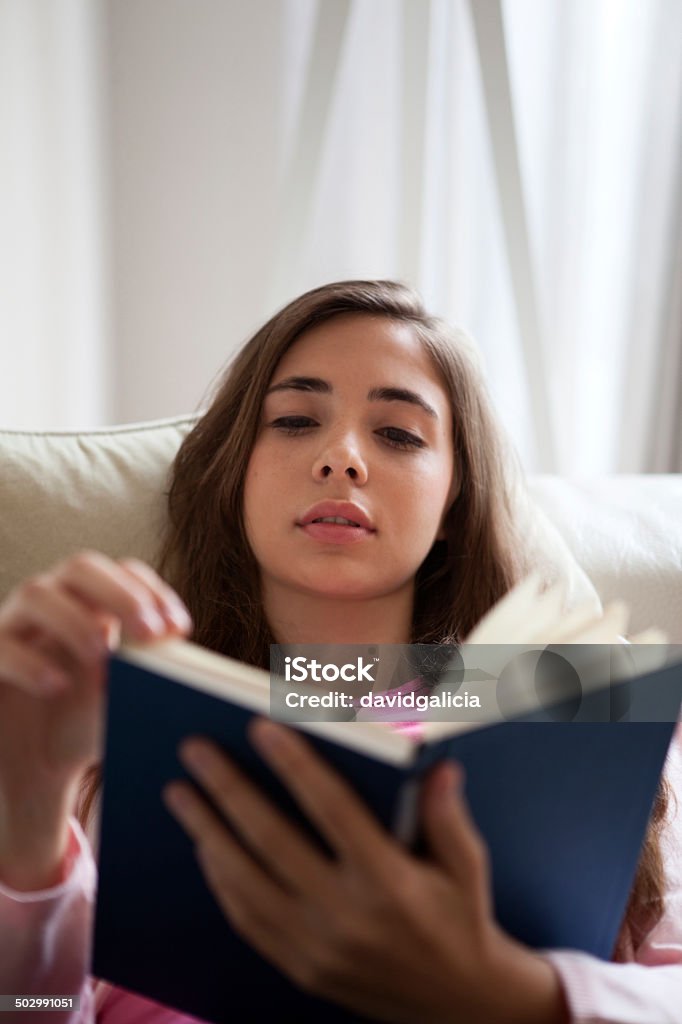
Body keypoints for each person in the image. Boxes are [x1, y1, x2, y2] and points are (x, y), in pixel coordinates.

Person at [0, 280, 680, 1023]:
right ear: (236, 474)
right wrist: (28, 827)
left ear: (453, 501)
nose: (341, 458)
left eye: (398, 434)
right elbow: (27, 1004)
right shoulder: (93, 732)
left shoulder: (588, 718)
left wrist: (509, 993)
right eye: (294, 420)